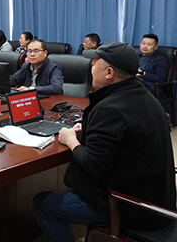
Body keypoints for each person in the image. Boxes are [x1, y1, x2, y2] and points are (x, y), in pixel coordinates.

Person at [33, 42, 176, 241]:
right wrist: (89, 130)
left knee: (44, 204)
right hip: (157, 203)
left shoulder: (109, 109)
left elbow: (94, 166)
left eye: (94, 63)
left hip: (130, 208)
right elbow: (126, 136)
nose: (90, 68)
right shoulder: (147, 98)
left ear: (109, 73)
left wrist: (71, 140)